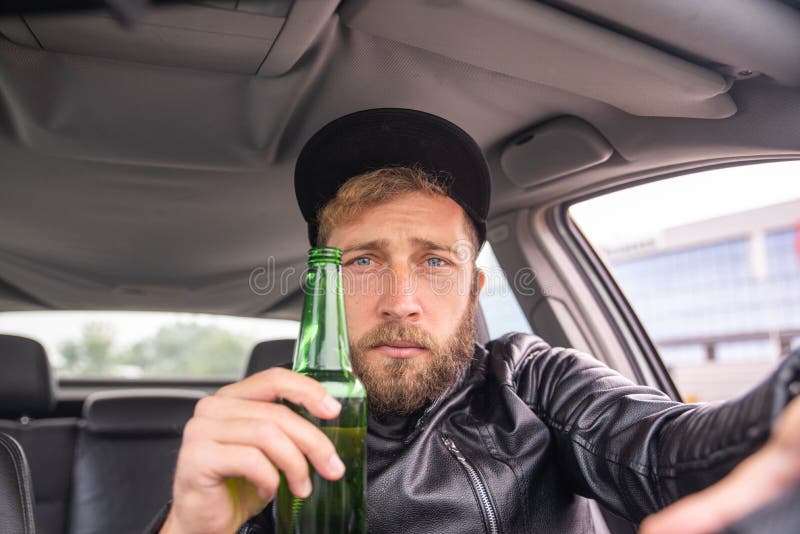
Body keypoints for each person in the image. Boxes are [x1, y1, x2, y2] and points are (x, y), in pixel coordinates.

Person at [152, 109, 800, 534]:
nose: (401, 300)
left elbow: (669, 450)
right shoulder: (268, 443)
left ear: (473, 289)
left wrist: (781, 407)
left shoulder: (532, 381)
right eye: (363, 262)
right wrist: (186, 528)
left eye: (434, 262)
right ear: (322, 288)